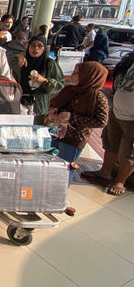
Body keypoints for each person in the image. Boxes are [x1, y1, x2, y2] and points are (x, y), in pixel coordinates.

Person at [49, 62, 109, 195]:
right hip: (56, 132)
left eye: (77, 73)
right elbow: (56, 103)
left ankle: (59, 196)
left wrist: (73, 118)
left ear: (89, 76)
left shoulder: (97, 97)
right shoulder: (70, 90)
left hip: (74, 138)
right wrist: (53, 111)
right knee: (49, 162)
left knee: (65, 166)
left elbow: (101, 121)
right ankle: (47, 191)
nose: (73, 75)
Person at [82, 62, 134, 196]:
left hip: (131, 117)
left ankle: (120, 181)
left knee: (129, 151)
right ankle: (105, 172)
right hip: (118, 111)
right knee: (111, 142)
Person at [17, 36, 65, 122]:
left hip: (39, 107)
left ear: (44, 48)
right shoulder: (21, 60)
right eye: (33, 45)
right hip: (19, 104)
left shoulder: (49, 63)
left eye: (40, 46)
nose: (36, 48)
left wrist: (44, 81)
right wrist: (17, 54)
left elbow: (60, 84)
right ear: (28, 46)